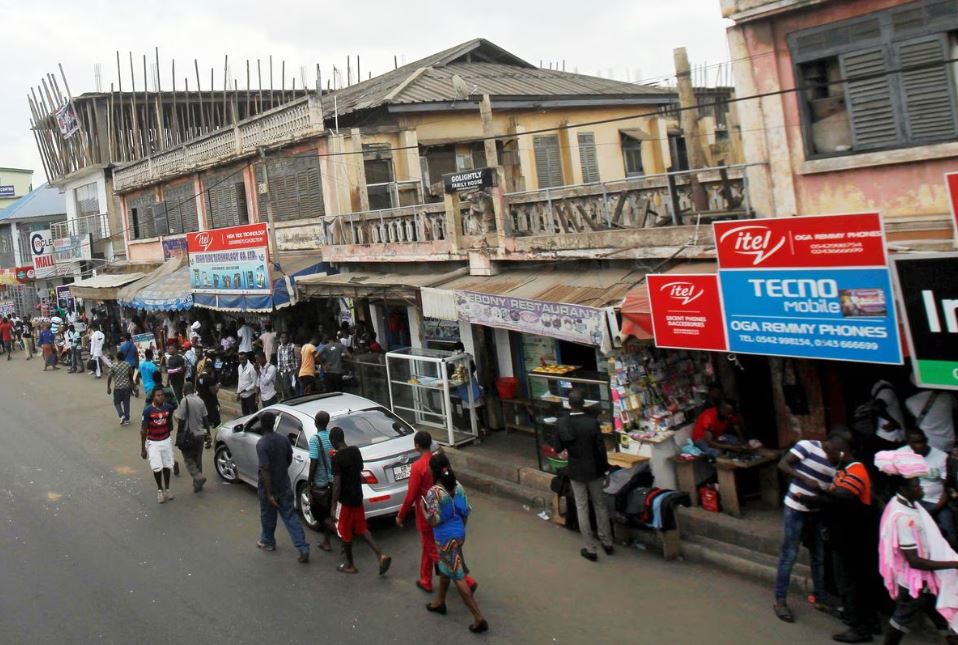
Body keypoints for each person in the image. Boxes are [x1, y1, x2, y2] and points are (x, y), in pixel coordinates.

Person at [800, 433, 879, 643]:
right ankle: (866, 621)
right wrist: (814, 499)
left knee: (850, 582)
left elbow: (844, 497)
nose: (826, 456)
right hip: (843, 536)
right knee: (853, 581)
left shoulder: (856, 471)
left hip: (853, 537)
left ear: (842, 452)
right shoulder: (844, 470)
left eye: (829, 451)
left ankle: (859, 628)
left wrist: (819, 492)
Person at [875, 450, 958, 644]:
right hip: (915, 583)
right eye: (916, 485)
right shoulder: (903, 517)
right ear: (903, 488)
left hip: (924, 582)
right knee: (901, 620)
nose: (921, 488)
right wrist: (953, 564)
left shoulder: (907, 504)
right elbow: (913, 560)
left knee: (942, 617)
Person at [774, 434, 847, 623]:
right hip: (795, 508)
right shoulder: (807, 446)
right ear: (830, 446)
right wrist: (805, 479)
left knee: (819, 555)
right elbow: (783, 464)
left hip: (816, 510)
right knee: (789, 554)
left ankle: (820, 598)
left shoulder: (838, 461)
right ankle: (780, 601)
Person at [398, 430, 478, 594]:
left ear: (417, 445)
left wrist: (401, 515)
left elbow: (411, 495)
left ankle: (466, 581)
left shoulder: (418, 467)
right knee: (428, 546)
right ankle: (425, 579)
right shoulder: (439, 462)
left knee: (434, 550)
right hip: (446, 511)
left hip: (428, 513)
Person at [423, 452, 488, 634]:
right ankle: (440, 602)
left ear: (433, 470)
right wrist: (460, 531)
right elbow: (466, 511)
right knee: (446, 566)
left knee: (457, 576)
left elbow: (433, 520)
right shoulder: (457, 486)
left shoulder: (433, 492)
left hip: (445, 538)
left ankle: (478, 617)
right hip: (459, 533)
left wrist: (423, 510)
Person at [552, 388, 613, 562]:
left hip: (576, 470)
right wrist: (605, 469)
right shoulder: (592, 423)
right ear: (583, 403)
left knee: (582, 507)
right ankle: (607, 541)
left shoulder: (562, 423)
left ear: (569, 404)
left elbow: (557, 448)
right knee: (600, 505)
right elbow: (601, 449)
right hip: (594, 469)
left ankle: (590, 547)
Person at [330, 426, 391, 575]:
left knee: (344, 532)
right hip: (358, 496)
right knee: (362, 528)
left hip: (346, 501)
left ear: (333, 441)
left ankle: (350, 565)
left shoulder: (336, 459)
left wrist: (333, 506)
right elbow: (359, 471)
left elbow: (337, 483)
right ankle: (381, 555)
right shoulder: (355, 451)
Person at [255, 410, 309, 563]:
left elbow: (265, 469)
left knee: (267, 515)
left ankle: (268, 542)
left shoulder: (262, 444)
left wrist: (270, 493)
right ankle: (303, 547)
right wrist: (282, 469)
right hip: (284, 485)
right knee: (290, 517)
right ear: (273, 424)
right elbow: (289, 458)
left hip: (269, 489)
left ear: (262, 425)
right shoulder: (283, 439)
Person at [898, 428, 956, 548]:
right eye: (914, 443)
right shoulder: (901, 454)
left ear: (926, 440)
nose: (918, 446)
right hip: (914, 503)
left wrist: (933, 510)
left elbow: (947, 489)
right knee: (915, 536)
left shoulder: (941, 457)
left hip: (938, 502)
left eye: (921, 442)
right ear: (908, 443)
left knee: (950, 535)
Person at [307, 411, 336, 553]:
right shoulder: (331, 438)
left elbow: (314, 461)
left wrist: (309, 482)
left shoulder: (314, 440)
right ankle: (326, 541)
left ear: (316, 422)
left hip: (320, 482)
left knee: (318, 513)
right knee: (328, 512)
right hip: (333, 482)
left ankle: (341, 532)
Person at [141, 388, 176, 504]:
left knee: (167, 466)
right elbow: (143, 430)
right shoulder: (147, 411)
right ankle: (160, 490)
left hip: (166, 441)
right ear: (153, 397)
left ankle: (167, 489)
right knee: (157, 468)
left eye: (162, 395)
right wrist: (143, 449)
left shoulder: (168, 408)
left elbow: (170, 420)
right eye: (158, 395)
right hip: (153, 443)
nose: (161, 397)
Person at [174, 382, 210, 493]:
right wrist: (208, 433)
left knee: (188, 459)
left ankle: (198, 478)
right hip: (200, 435)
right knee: (198, 460)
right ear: (193, 390)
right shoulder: (200, 400)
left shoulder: (184, 401)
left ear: (184, 390)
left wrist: (179, 434)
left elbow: (181, 419)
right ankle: (197, 486)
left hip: (189, 436)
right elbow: (205, 419)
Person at [906, 388, 957, 454]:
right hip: (949, 439)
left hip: (929, 440)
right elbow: (955, 406)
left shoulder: (909, 401)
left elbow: (912, 415)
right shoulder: (947, 396)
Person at [107, 351, 133, 426]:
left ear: (117, 358)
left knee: (116, 402)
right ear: (123, 357)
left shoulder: (113, 366)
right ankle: (127, 419)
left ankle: (121, 415)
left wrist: (108, 387)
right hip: (126, 387)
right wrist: (133, 386)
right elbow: (131, 376)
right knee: (126, 403)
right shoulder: (128, 365)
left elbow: (109, 377)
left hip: (118, 388)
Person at [196, 359, 221, 428]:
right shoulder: (209, 378)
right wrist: (218, 386)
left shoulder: (199, 378)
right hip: (210, 403)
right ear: (209, 368)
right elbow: (213, 392)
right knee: (215, 421)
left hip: (202, 402)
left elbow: (197, 390)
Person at [277, 333, 298, 401]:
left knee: (294, 385)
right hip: (284, 370)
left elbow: (296, 357)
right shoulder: (279, 347)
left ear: (288, 338)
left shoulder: (292, 346)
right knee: (287, 387)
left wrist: (297, 368)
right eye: (282, 337)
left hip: (292, 369)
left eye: (285, 337)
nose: (283, 339)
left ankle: (297, 398)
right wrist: (279, 369)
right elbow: (279, 358)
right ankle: (291, 400)